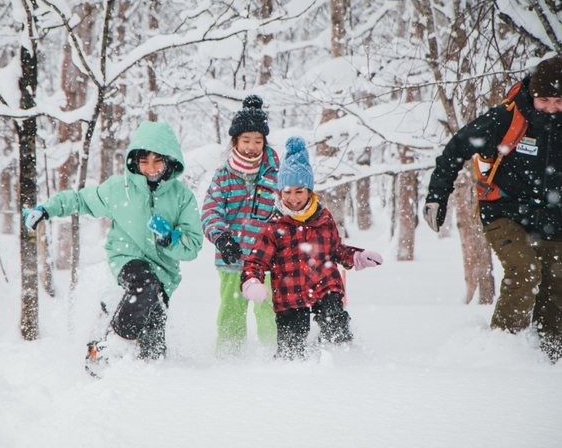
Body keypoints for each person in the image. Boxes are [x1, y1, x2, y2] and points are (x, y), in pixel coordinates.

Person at [24, 121, 203, 374]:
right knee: (144, 284)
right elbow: (79, 200)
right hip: (127, 259)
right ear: (134, 160)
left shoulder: (182, 197)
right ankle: (113, 345)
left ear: (170, 159)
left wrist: (169, 238)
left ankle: (103, 340)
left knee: (153, 354)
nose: (151, 168)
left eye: (157, 160)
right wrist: (46, 209)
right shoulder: (120, 189)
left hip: (165, 273)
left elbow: (193, 245)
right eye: (144, 160)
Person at [423, 56, 562, 363]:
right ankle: (503, 352)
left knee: (556, 282)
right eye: (543, 100)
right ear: (531, 94)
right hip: (504, 212)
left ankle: (552, 357)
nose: (550, 108)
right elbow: (456, 147)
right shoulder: (507, 119)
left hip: (555, 219)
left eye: (557, 101)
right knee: (525, 271)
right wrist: (437, 195)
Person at [240, 137, 383, 360]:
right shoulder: (275, 226)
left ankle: (342, 363)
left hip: (325, 287)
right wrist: (252, 281)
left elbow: (335, 250)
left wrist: (357, 257)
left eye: (300, 191)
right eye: (287, 191)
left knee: (336, 326)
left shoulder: (323, 219)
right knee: (291, 349)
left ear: (309, 191)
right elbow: (256, 262)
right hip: (290, 295)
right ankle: (291, 375)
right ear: (280, 192)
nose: (293, 198)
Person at [201, 95, 279, 357]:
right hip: (231, 257)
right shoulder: (223, 176)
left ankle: (275, 354)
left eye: (258, 141)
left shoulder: (275, 175)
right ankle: (229, 357)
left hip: (266, 259)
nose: (252, 146)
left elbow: (288, 209)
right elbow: (211, 210)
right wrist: (222, 237)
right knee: (232, 309)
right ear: (235, 141)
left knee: (267, 306)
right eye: (246, 140)